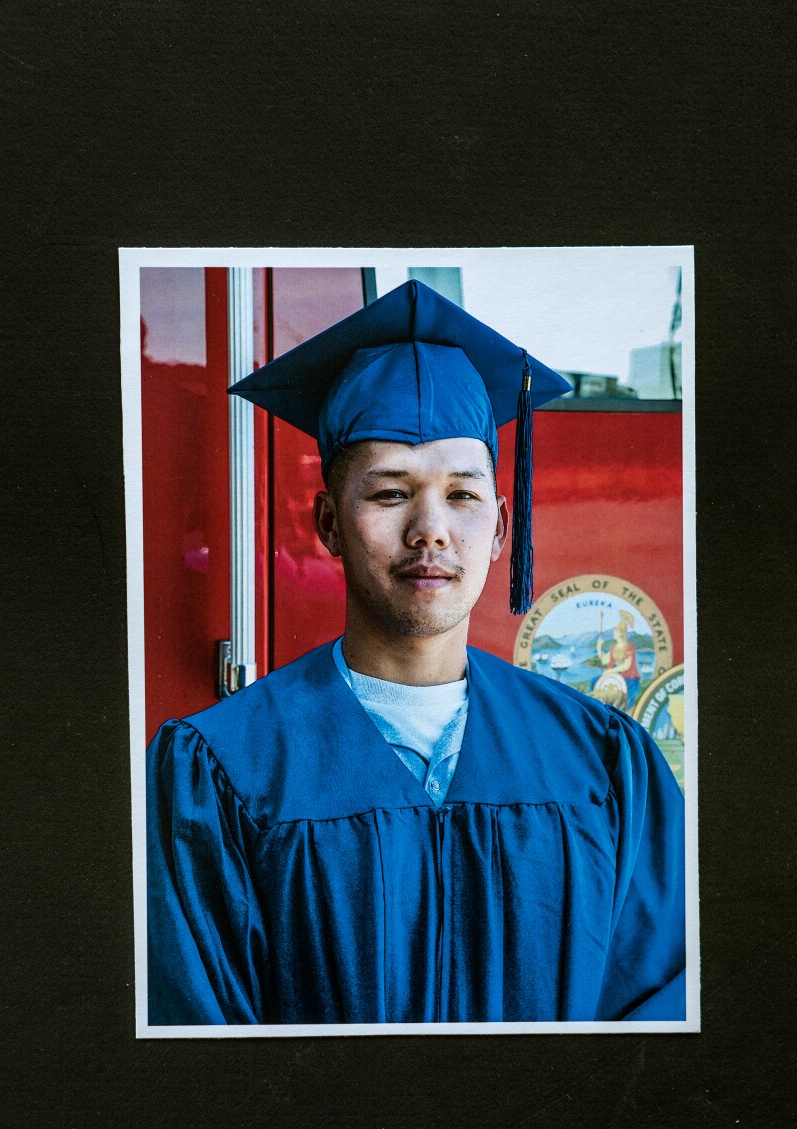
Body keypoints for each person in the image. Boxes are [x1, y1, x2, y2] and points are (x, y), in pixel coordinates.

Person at [146, 281, 686, 1025]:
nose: (431, 530)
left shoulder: (605, 765)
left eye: (462, 496)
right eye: (391, 494)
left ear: (501, 529)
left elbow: (661, 1022)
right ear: (330, 524)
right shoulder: (223, 768)